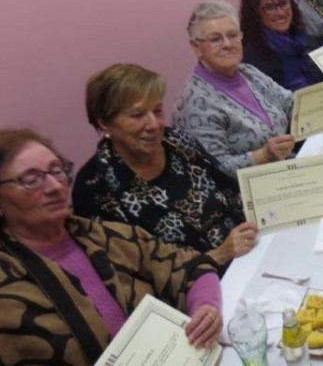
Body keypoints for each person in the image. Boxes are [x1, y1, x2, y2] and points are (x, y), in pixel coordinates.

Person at [1, 129, 222, 363]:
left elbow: (189, 264)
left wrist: (205, 307)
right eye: (31, 179)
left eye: (57, 170)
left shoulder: (102, 235)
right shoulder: (7, 288)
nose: (55, 186)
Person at [73, 63, 257, 268]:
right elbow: (133, 272)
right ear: (104, 123)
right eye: (138, 115)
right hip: (197, 286)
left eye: (157, 111)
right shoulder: (94, 188)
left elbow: (230, 188)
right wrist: (218, 256)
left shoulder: (176, 141)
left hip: (247, 252)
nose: (153, 124)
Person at [174, 1, 323, 175]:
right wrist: (262, 155)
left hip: (286, 170)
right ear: (196, 47)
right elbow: (211, 169)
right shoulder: (196, 103)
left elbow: (293, 104)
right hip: (248, 197)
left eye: (232, 35)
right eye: (215, 39)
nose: (227, 44)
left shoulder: (247, 72)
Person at [240, 0, 323, 90]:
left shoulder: (300, 36)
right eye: (269, 7)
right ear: (255, 13)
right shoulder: (251, 56)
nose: (280, 13)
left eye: (283, 3)